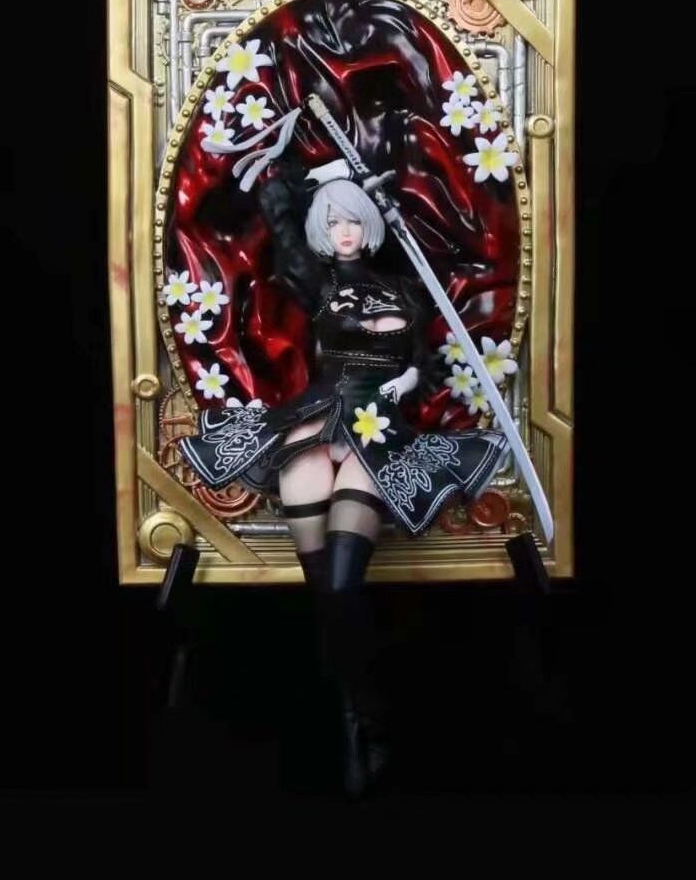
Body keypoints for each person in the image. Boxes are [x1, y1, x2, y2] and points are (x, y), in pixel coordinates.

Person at [177, 152, 509, 798]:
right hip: (314, 420)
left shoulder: (406, 286)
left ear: (369, 224)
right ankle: (356, 719)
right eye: (333, 222)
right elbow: (276, 204)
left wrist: (407, 380)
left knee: (338, 585)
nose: (344, 231)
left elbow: (425, 363)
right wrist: (317, 175)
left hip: (375, 431)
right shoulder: (316, 281)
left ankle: (361, 716)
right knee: (323, 583)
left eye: (352, 219)